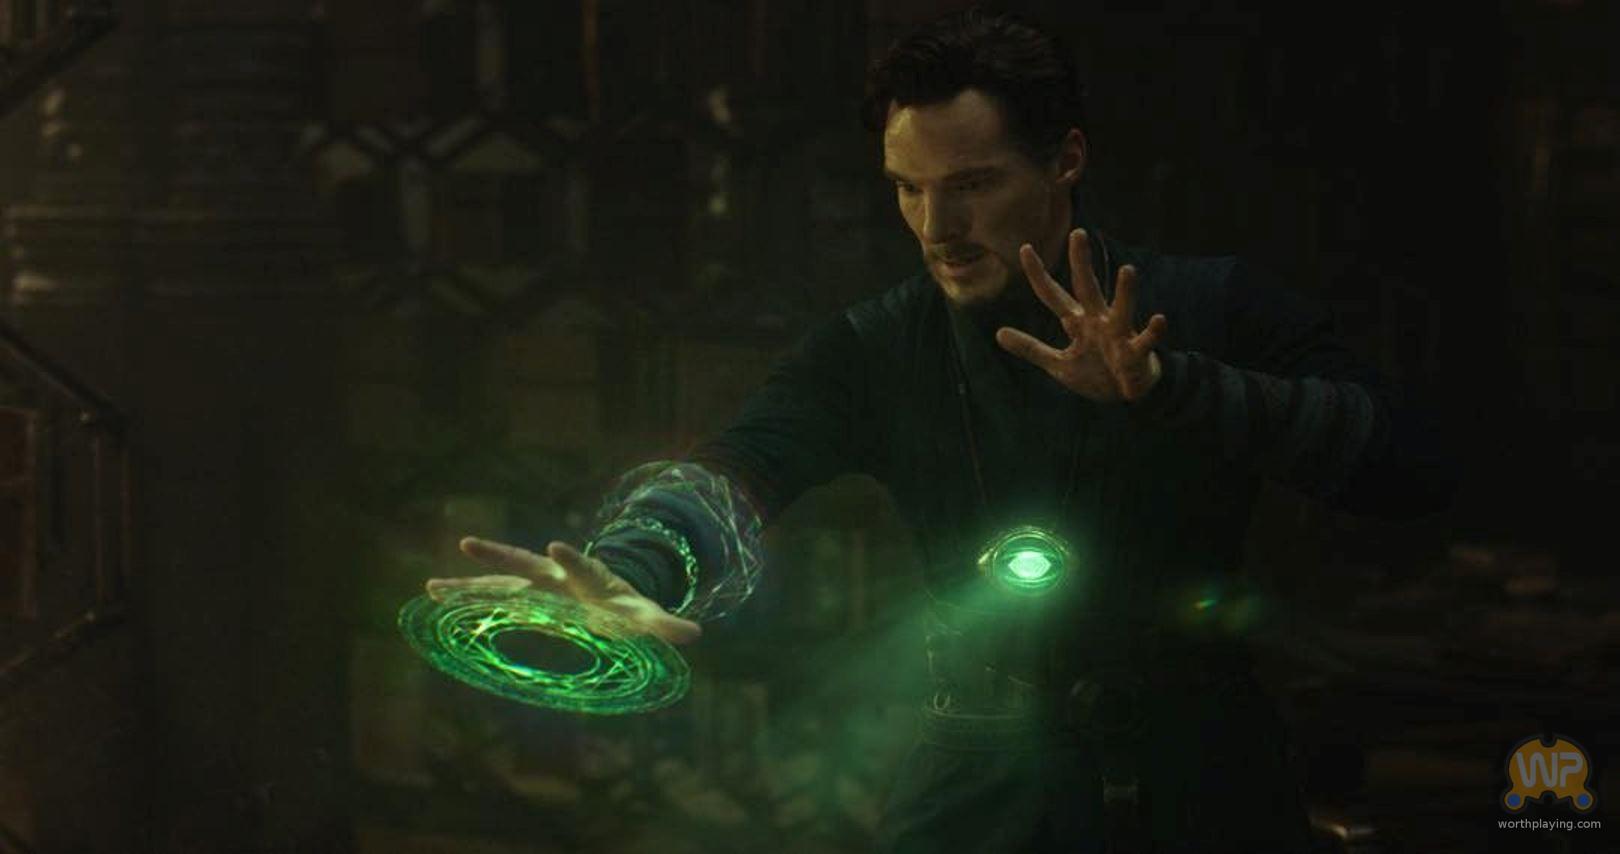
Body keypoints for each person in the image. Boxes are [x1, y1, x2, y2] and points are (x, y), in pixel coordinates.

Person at [427, 8, 1456, 852]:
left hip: (1205, 776)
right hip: (980, 780)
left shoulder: (1203, 305)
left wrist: (1174, 386)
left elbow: (1408, 466)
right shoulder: (881, 348)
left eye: (972, 186)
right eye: (908, 189)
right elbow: (745, 466)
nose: (936, 228)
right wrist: (633, 566)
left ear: (1066, 159)